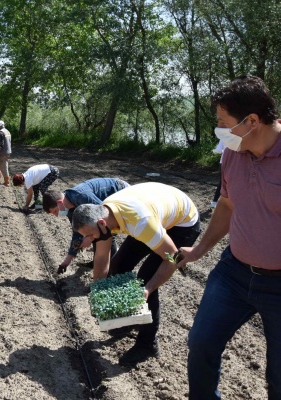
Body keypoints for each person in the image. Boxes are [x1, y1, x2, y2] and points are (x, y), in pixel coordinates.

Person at [176, 76, 281, 400]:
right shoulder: (232, 153)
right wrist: (199, 249)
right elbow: (227, 203)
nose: (218, 130)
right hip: (234, 271)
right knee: (202, 342)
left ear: (251, 121)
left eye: (223, 122)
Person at [72, 182, 201, 365]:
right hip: (154, 212)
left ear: (101, 223)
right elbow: (102, 258)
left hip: (182, 223)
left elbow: (172, 258)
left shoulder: (140, 223)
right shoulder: (104, 218)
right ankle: (127, 320)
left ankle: (147, 345)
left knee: (145, 280)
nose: (88, 240)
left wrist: (148, 289)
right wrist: (98, 291)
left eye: (90, 236)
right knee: (118, 267)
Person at [42, 178, 130, 273]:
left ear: (59, 202)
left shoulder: (82, 197)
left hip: (121, 190)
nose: (56, 215)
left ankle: (112, 269)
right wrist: (67, 261)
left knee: (104, 234)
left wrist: (90, 238)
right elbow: (77, 232)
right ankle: (100, 263)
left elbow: (105, 216)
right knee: (95, 233)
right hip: (105, 204)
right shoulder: (68, 207)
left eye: (55, 211)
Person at [210, 139, 225, 208]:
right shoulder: (239, 135)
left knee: (222, 182)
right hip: (235, 162)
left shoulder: (223, 137)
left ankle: (214, 201)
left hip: (223, 162)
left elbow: (218, 150)